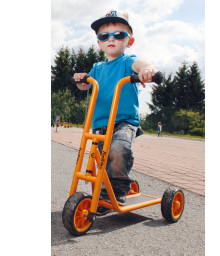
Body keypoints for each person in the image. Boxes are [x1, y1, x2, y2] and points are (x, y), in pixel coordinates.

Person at [73, 9, 157, 215]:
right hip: (100, 122)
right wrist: (81, 79)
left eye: (118, 34)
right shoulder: (97, 68)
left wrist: (147, 70)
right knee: (101, 158)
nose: (111, 39)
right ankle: (109, 188)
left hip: (124, 121)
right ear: (99, 42)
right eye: (104, 36)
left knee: (118, 151)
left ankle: (116, 190)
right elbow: (85, 86)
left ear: (130, 41)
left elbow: (141, 64)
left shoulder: (128, 62)